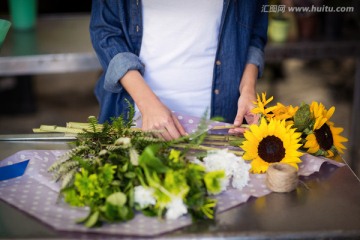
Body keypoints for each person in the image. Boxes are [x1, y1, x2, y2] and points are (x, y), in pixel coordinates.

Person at [90, 0, 268, 140]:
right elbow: (105, 32)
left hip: (220, 120)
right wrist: (147, 104)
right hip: (138, 115)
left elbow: (254, 35)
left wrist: (247, 90)